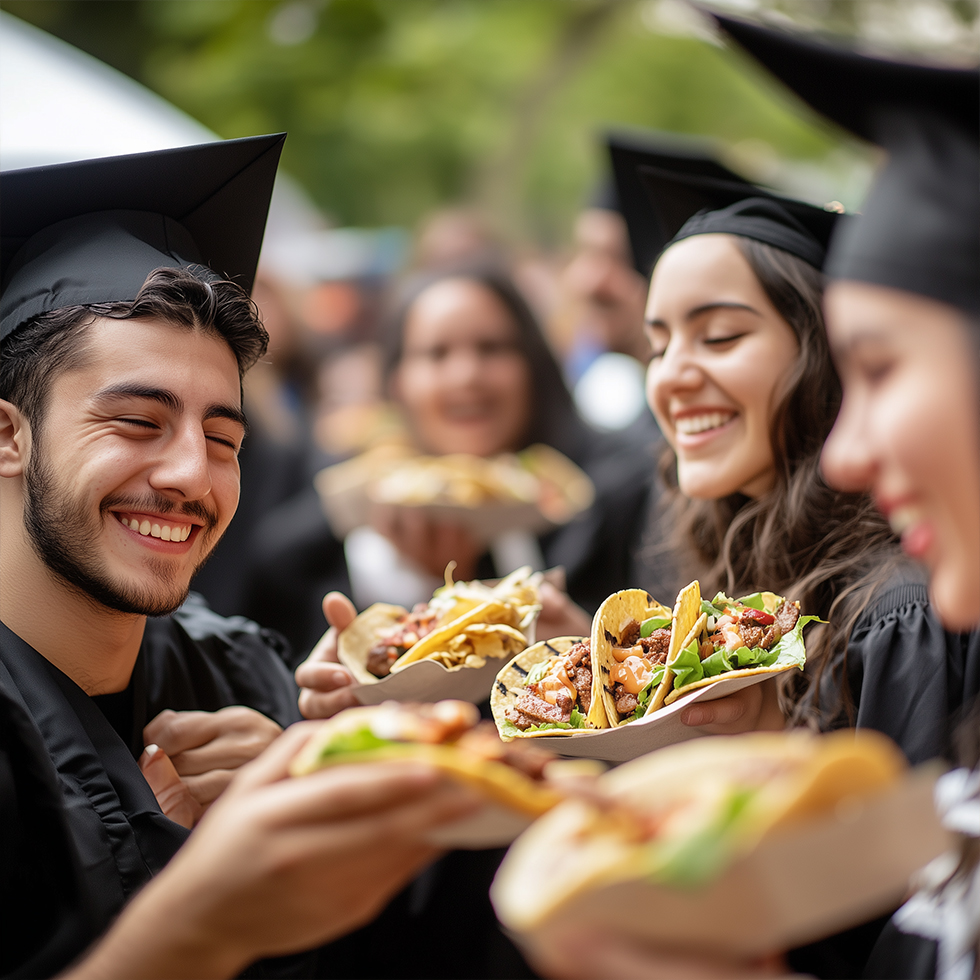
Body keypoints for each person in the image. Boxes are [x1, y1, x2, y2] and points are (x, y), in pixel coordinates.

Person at [528, 13, 979, 980]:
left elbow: (887, 925)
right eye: (656, 343)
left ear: (818, 364)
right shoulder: (736, 563)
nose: (672, 375)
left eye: (720, 335)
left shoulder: (898, 609)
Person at [0, 136, 476, 978]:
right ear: (9, 434)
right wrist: (203, 914)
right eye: (139, 423)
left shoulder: (247, 681)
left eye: (222, 438)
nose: (193, 474)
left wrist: (345, 779)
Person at [244, 266, 656, 660]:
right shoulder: (343, 516)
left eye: (491, 348)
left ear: (533, 366)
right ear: (397, 382)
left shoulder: (603, 499)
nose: (466, 375)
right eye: (436, 353)